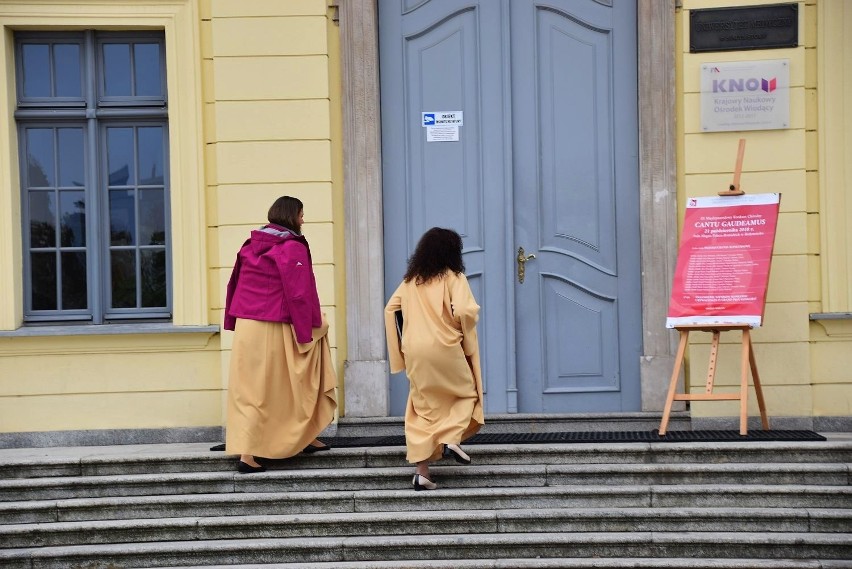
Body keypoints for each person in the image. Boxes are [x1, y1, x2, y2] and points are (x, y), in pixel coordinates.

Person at [223, 196, 337, 473]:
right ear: (292, 216)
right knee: (294, 382)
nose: (303, 220)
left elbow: (234, 282)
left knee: (250, 390)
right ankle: (253, 454)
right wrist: (305, 331)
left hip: (247, 326)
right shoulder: (291, 247)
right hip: (274, 324)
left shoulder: (250, 244)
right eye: (301, 214)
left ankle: (299, 437)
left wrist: (231, 320)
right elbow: (299, 293)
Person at [384, 227, 485, 490]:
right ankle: (452, 437)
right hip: (444, 345)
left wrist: (402, 345)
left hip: (415, 350)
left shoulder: (410, 281)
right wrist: (457, 328)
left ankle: (422, 473)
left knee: (422, 408)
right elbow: (464, 309)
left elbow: (390, 309)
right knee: (466, 393)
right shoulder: (454, 277)